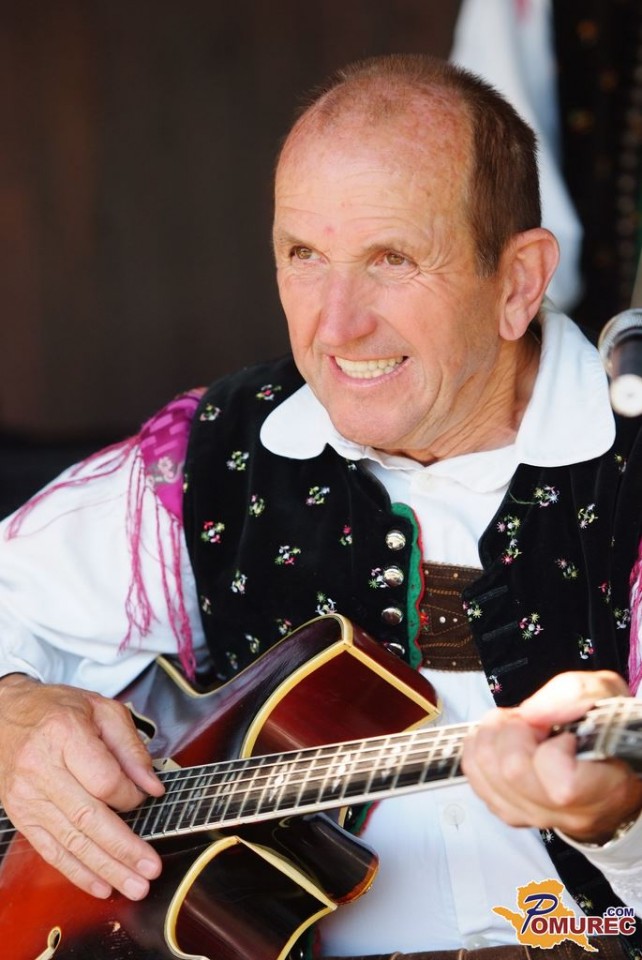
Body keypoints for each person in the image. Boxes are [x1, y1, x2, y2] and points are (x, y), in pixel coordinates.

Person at [0, 53, 641, 960]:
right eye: (304, 255)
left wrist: (619, 820)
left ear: (518, 283)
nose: (336, 326)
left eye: (392, 259)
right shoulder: (218, 456)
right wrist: (12, 717)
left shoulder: (628, 469)